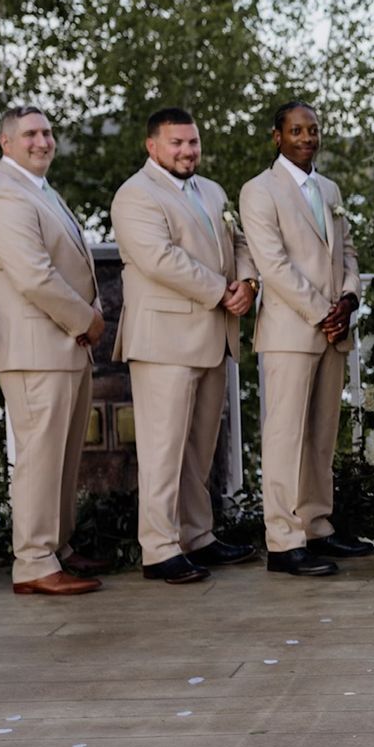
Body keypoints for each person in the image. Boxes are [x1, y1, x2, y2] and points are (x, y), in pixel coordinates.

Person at [110, 106, 259, 585]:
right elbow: (160, 260)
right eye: (177, 143)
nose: (187, 151)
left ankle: (198, 536)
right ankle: (158, 549)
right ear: (152, 146)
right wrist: (221, 290)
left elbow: (238, 243)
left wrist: (248, 282)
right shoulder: (135, 195)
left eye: (192, 142)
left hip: (212, 337)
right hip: (164, 341)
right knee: (163, 449)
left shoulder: (212, 191)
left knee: (199, 449)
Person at [0, 106, 104, 597]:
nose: (42, 141)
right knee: (39, 456)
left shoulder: (37, 189)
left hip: (61, 345)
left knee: (64, 455)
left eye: (47, 132)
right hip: (33, 346)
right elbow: (33, 276)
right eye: (29, 134)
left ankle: (58, 548)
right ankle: (32, 562)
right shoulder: (2, 195)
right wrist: (86, 318)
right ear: (6, 143)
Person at [238, 101, 374, 577]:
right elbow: (272, 265)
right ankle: (282, 540)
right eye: (296, 130)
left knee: (321, 436)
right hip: (290, 332)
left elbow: (350, 253)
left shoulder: (330, 188)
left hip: (332, 329)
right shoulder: (259, 191)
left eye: (313, 130)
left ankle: (317, 524)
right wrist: (322, 312)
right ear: (277, 136)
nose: (307, 138)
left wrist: (348, 300)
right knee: (284, 437)